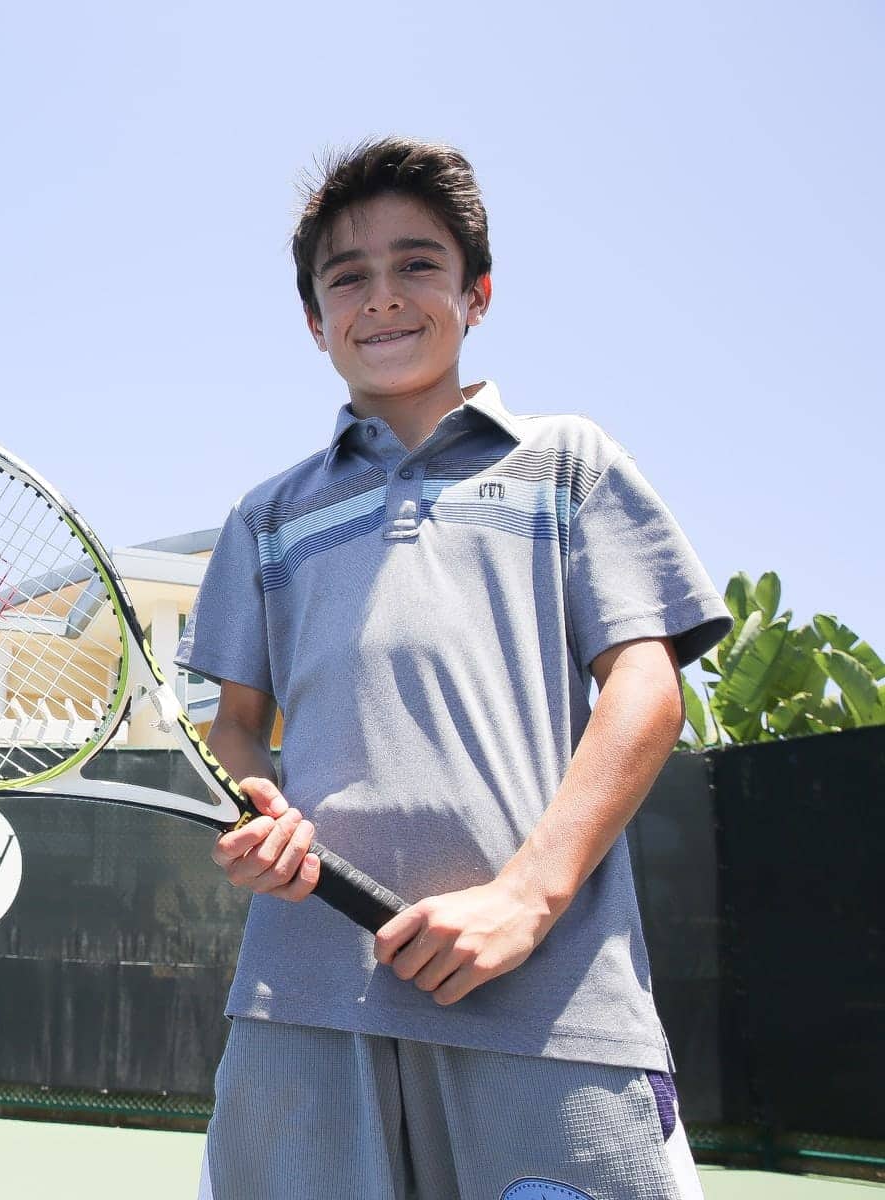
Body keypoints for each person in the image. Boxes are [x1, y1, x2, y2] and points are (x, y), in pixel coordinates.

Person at [176, 138, 731, 1199]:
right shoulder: (267, 517)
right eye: (348, 276)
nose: (383, 297)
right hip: (302, 1001)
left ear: (476, 293)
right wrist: (258, 802)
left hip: (553, 1001)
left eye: (418, 265)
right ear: (314, 320)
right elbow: (238, 726)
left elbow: (646, 684)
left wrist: (526, 898)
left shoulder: (569, 461)